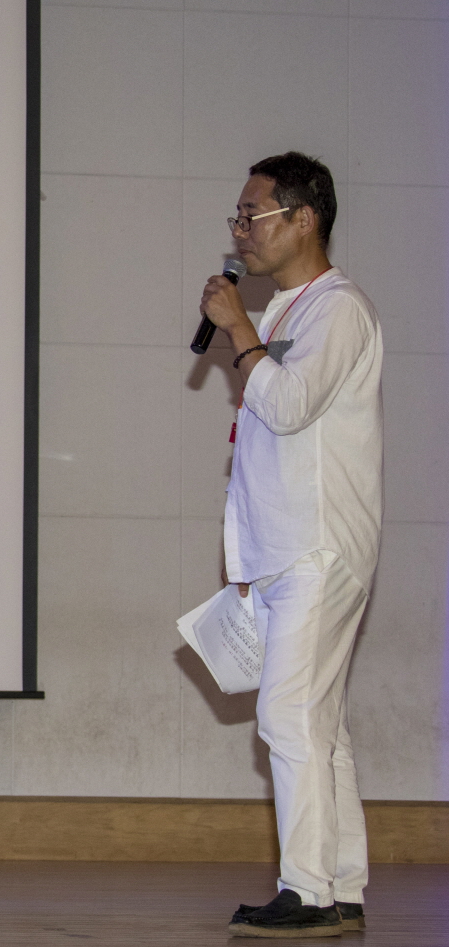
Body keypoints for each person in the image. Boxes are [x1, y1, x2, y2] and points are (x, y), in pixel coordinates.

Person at [200, 153, 382, 939]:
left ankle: (306, 892)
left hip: (318, 544)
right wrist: (245, 564)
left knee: (287, 713)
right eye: (237, 217)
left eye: (253, 215)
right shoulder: (284, 311)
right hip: (282, 550)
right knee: (319, 724)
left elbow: (288, 405)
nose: (240, 230)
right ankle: (338, 881)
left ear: (303, 219)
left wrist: (237, 329)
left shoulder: (336, 309)